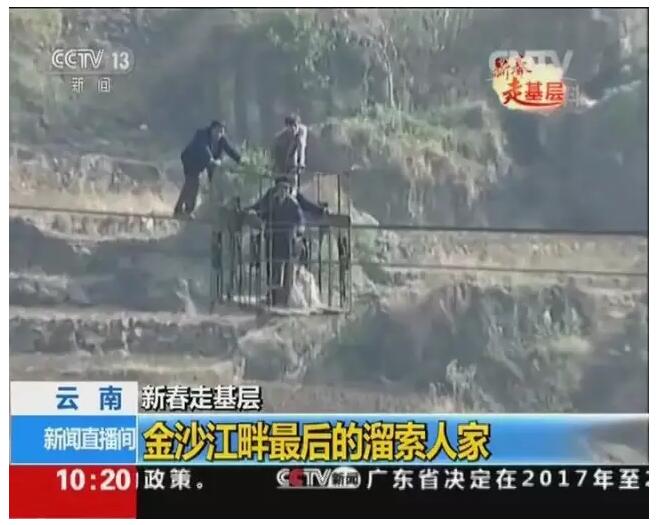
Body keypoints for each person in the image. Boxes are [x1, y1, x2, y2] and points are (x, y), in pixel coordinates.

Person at [247, 176, 304, 306]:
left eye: (286, 188)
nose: (283, 191)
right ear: (277, 189)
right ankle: (272, 296)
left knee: (286, 267)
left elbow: (300, 219)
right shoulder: (271, 202)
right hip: (272, 238)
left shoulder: (293, 204)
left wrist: (299, 231)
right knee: (272, 266)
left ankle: (285, 297)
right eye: (281, 188)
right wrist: (252, 211)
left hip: (286, 239)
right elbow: (261, 210)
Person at [174, 120, 241, 218]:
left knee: (207, 183)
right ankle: (179, 209)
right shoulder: (202, 135)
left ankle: (190, 209)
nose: (219, 134)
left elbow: (230, 151)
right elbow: (204, 148)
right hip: (191, 159)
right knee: (192, 182)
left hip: (206, 163)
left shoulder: (222, 139)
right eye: (217, 131)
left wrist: (241, 160)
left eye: (221, 132)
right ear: (212, 129)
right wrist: (211, 160)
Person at [272, 113, 307, 185]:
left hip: (295, 145)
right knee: (282, 170)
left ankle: (294, 184)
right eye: (290, 127)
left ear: (298, 125)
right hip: (282, 148)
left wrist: (301, 163)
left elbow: (301, 147)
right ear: (286, 127)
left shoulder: (302, 130)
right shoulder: (280, 138)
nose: (293, 129)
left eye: (295, 126)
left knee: (294, 165)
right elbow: (276, 154)